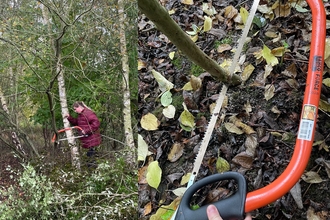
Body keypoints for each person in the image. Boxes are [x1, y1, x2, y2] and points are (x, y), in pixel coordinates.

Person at [65, 101, 101, 168]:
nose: (75, 111)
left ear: (79, 107)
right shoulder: (81, 115)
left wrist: (86, 131)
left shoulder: (88, 113)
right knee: (89, 159)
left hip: (92, 141)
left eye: (75, 109)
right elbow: (77, 123)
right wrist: (69, 117)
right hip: (86, 141)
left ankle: (93, 174)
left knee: (91, 160)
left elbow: (96, 124)